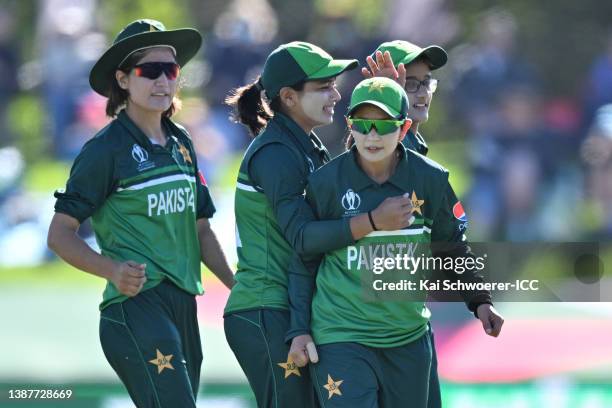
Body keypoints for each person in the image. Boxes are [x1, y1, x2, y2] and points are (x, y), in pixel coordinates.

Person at [47, 19, 234, 408]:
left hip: (183, 306)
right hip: (134, 310)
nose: (163, 80)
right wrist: (112, 270)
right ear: (123, 79)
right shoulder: (104, 151)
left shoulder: (182, 142)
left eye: (171, 70)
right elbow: (59, 234)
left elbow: (200, 229)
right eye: (149, 71)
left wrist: (238, 285)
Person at [288, 77, 504, 407]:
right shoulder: (326, 182)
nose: (371, 136)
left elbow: (452, 244)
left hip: (407, 337)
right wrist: (299, 330)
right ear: (350, 126)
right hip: (341, 335)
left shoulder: (430, 179)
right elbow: (305, 257)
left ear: (403, 129)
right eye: (362, 125)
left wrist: (479, 299)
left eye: (383, 126)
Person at [223, 41, 415, 407]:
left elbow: (351, 185)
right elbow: (303, 237)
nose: (335, 93)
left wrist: (386, 111)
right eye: (323, 86)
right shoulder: (277, 153)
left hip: (289, 310)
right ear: (289, 97)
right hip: (268, 311)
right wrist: (373, 221)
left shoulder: (305, 145)